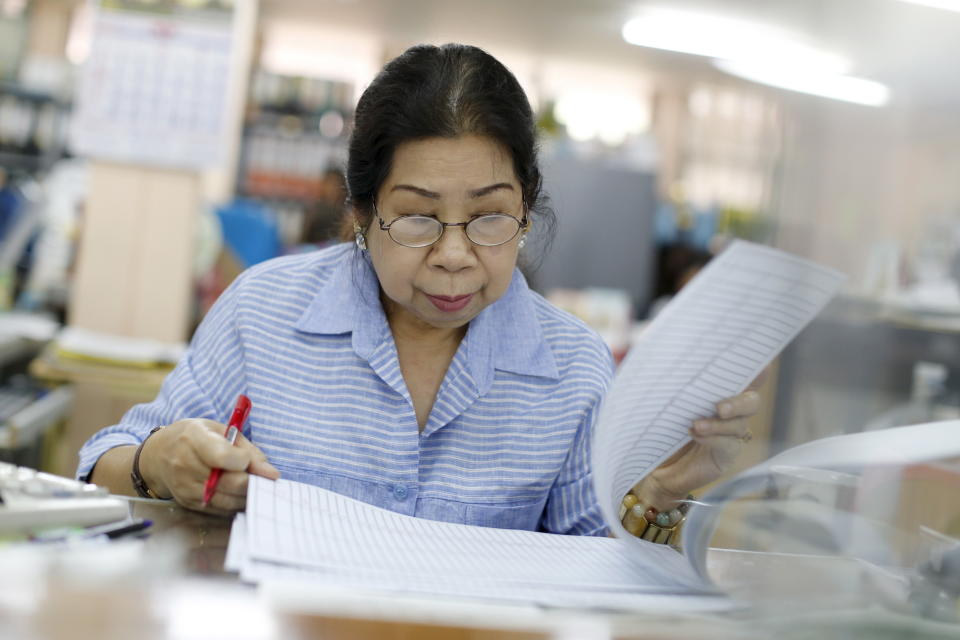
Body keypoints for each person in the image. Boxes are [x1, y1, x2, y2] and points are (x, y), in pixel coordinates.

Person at [79, 43, 760, 538]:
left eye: (491, 217)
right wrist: (155, 463)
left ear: (527, 210)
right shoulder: (265, 311)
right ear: (362, 213)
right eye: (417, 219)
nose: (456, 256)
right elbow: (105, 457)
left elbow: (594, 554)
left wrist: (659, 490)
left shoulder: (574, 367)